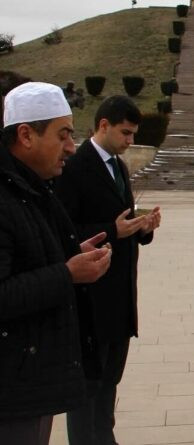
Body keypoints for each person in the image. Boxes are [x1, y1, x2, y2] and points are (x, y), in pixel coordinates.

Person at [0, 82, 111, 444]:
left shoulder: (31, 188)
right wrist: (67, 272)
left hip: (30, 380)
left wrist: (69, 254)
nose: (70, 147)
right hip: (12, 390)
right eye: (63, 135)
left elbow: (23, 258)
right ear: (26, 135)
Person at [55, 95, 160, 445]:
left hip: (120, 294)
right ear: (103, 125)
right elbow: (62, 231)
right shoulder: (74, 166)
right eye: (125, 133)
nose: (130, 141)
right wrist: (114, 230)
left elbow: (121, 221)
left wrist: (143, 228)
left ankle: (105, 438)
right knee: (89, 383)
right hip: (91, 297)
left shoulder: (118, 166)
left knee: (110, 379)